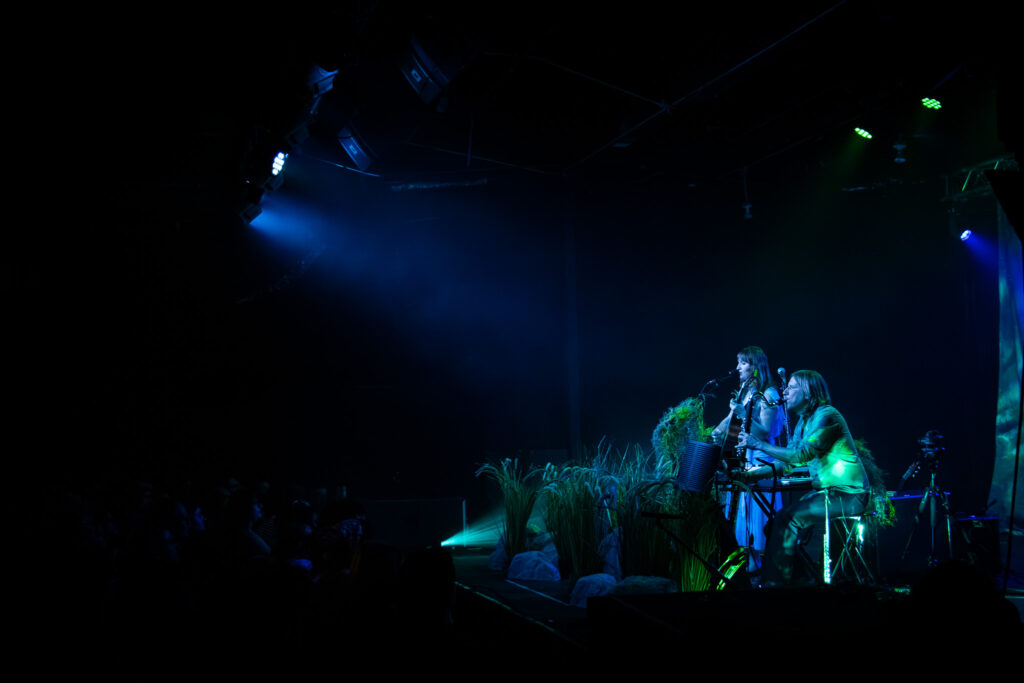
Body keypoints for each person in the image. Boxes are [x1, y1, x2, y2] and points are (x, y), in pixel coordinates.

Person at [738, 370, 868, 586]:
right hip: (829, 493)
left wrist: (759, 444)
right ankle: (803, 582)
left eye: (791, 387)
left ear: (808, 392)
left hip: (849, 495)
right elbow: (789, 463)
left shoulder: (827, 415)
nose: (785, 391)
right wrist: (749, 475)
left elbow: (801, 455)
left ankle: (775, 586)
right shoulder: (803, 422)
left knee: (786, 519)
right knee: (774, 525)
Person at [711, 346, 785, 564]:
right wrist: (716, 432)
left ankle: (763, 575)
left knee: (759, 522)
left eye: (742, 363)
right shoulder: (746, 391)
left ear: (754, 367)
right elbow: (731, 419)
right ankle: (751, 574)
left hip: (761, 462)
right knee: (744, 524)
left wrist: (744, 416)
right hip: (745, 462)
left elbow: (765, 432)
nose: (737, 367)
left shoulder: (769, 393)